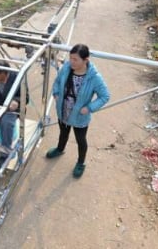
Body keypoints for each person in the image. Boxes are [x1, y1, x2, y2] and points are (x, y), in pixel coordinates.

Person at [46, 44, 110, 178]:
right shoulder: (66, 68)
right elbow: (57, 82)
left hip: (80, 115)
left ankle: (81, 163)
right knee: (63, 132)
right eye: (70, 58)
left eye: (75, 59)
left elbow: (105, 96)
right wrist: (56, 93)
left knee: (80, 140)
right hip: (63, 110)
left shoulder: (94, 78)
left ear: (85, 60)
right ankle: (60, 149)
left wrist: (90, 108)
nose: (71, 62)